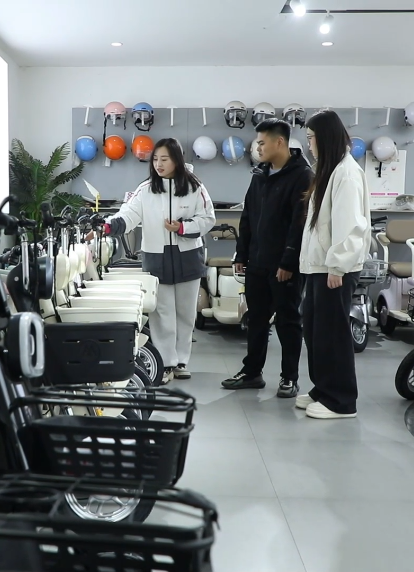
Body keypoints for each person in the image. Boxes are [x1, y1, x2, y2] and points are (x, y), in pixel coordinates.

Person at [88, 138, 216, 382]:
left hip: (188, 257)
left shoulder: (195, 187)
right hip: (157, 257)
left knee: (186, 313)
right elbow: (127, 215)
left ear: (176, 160)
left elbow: (208, 219)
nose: (159, 164)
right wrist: (106, 227)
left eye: (164, 159)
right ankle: (166, 363)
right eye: (156, 159)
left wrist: (182, 228)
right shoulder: (146, 189)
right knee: (162, 313)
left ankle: (181, 361)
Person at [223, 118, 313, 396]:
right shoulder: (259, 174)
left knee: (288, 321)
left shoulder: (302, 176)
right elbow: (248, 216)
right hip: (257, 263)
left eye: (262, 143)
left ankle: (289, 378)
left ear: (279, 142)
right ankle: (252, 372)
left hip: (285, 266)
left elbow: (299, 223)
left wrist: (288, 262)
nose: (258, 148)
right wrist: (242, 253)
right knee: (256, 319)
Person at [296, 110, 371, 420]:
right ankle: (323, 389)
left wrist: (337, 267)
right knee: (315, 330)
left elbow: (350, 226)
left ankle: (341, 401)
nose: (309, 144)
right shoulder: (329, 170)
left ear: (324, 138)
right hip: (320, 265)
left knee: (332, 334)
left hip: (334, 269)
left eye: (311, 138)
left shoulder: (346, 174)